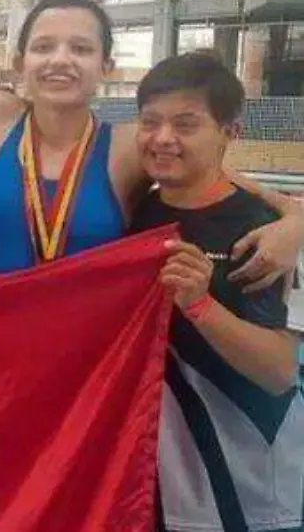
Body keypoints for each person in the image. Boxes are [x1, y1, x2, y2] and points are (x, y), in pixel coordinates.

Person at [0, 0, 302, 284]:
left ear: (106, 67)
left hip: (89, 342)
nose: (60, 60)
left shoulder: (129, 146)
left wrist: (295, 222)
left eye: (81, 49)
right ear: (21, 64)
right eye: (43, 47)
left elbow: (222, 181)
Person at [128, 53, 302, 531]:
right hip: (155, 478)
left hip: (247, 487)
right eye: (150, 122)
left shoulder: (268, 232)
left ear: (230, 132)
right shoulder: (135, 213)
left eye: (186, 124)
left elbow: (280, 371)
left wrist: (201, 305)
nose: (163, 138)